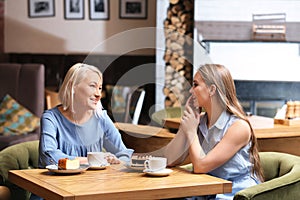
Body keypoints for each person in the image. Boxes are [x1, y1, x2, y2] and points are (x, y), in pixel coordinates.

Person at [162, 64, 264, 199]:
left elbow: (200, 166)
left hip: (234, 193)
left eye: (195, 85)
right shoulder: (200, 121)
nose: (191, 91)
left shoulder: (239, 127)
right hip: (207, 189)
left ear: (211, 89)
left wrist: (191, 131)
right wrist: (186, 123)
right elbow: (169, 160)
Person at [38, 63, 133, 168]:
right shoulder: (51, 118)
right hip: (57, 183)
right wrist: (92, 160)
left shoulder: (101, 118)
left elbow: (124, 154)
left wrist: (117, 161)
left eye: (100, 88)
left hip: (91, 183)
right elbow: (48, 156)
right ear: (72, 86)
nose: (98, 94)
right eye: (92, 86)